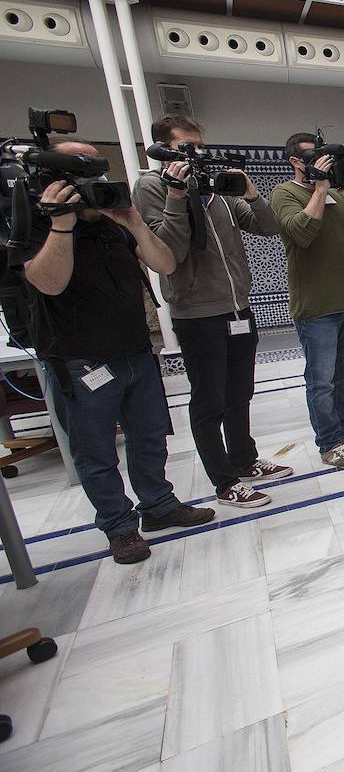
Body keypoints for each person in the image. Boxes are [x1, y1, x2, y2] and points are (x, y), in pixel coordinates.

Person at [19, 139, 214, 564]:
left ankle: (159, 506)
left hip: (136, 351)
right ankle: (119, 527)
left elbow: (164, 265)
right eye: (81, 175)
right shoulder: (36, 223)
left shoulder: (113, 224)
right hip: (80, 358)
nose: (94, 184)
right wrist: (61, 224)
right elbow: (49, 283)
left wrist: (133, 222)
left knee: (149, 438)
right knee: (96, 451)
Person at [134, 115, 292, 509]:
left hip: (238, 307)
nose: (197, 154)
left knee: (240, 392)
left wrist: (251, 192)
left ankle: (244, 459)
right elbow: (169, 251)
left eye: (200, 146)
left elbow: (269, 226)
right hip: (197, 312)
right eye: (188, 146)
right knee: (209, 400)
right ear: (163, 149)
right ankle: (223, 482)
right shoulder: (151, 187)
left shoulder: (216, 189)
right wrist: (176, 194)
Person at [270, 132, 344, 469]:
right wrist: (318, 189)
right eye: (311, 156)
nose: (321, 163)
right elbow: (301, 232)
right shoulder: (284, 193)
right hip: (315, 308)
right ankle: (329, 443)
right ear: (294, 161)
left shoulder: (336, 195)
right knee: (321, 380)